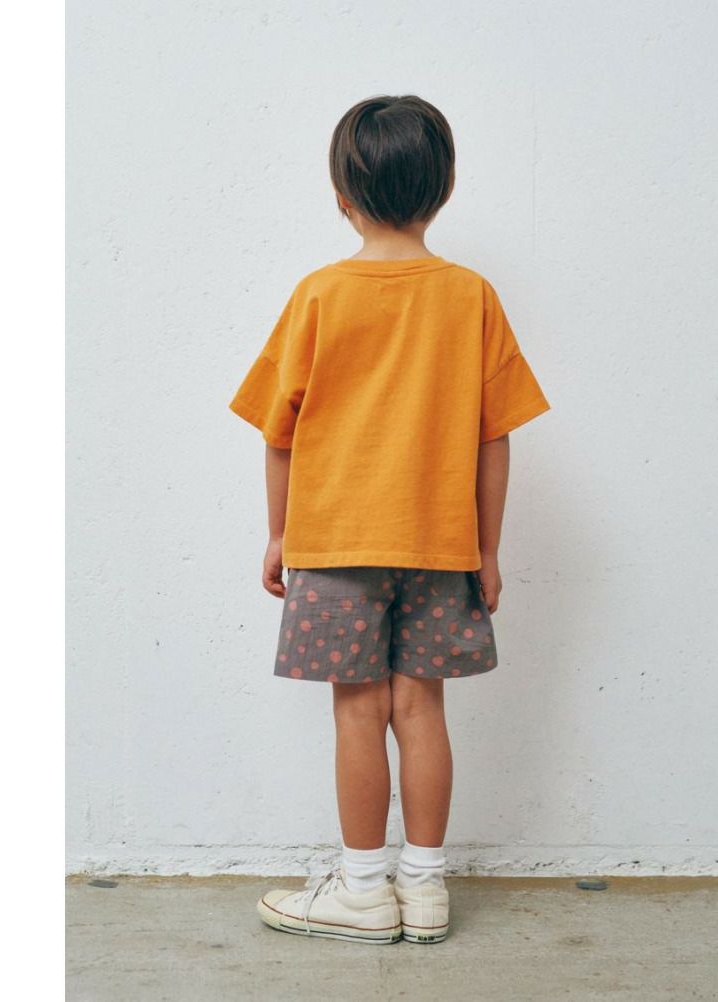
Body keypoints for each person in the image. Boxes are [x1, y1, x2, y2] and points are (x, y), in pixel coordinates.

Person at [228, 94, 551, 944]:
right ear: (444, 189)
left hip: (336, 544)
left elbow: (279, 432)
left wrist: (279, 534)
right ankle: (426, 888)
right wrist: (486, 548)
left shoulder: (319, 294)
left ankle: (364, 892)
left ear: (342, 194)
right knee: (422, 710)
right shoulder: (470, 296)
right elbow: (495, 437)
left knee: (357, 713)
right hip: (440, 546)